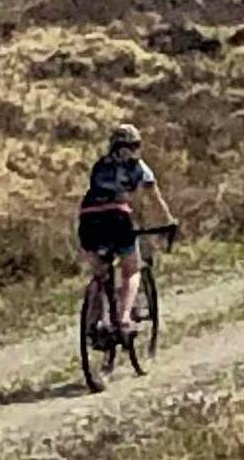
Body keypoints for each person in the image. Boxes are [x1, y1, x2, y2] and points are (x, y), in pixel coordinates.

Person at [75, 125, 177, 334]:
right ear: (136, 146)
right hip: (117, 217)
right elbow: (152, 199)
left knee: (101, 273)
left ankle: (95, 323)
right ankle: (122, 320)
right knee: (132, 269)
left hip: (88, 217)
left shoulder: (100, 164)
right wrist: (168, 222)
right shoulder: (138, 166)